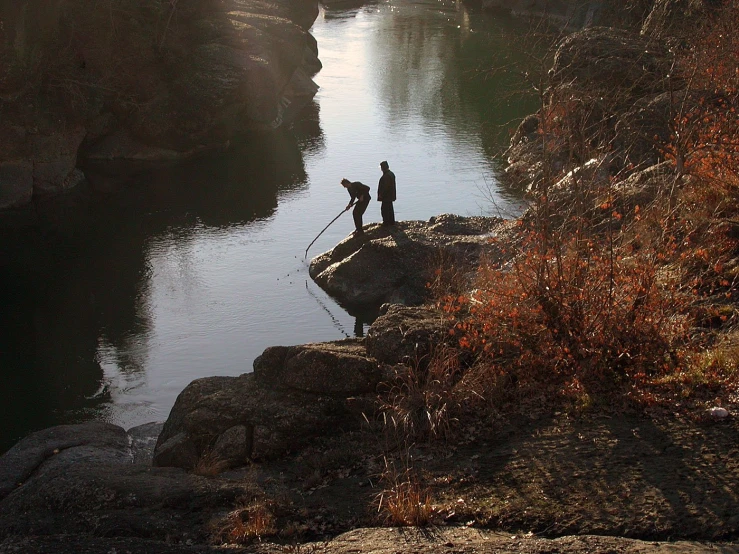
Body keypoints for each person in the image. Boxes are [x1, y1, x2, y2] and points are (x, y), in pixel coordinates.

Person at [377, 160, 396, 226]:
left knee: (384, 210)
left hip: (386, 196)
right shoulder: (391, 174)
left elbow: (385, 187)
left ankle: (386, 222)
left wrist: (381, 195)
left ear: (382, 168)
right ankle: (391, 222)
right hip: (391, 195)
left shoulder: (386, 176)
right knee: (390, 209)